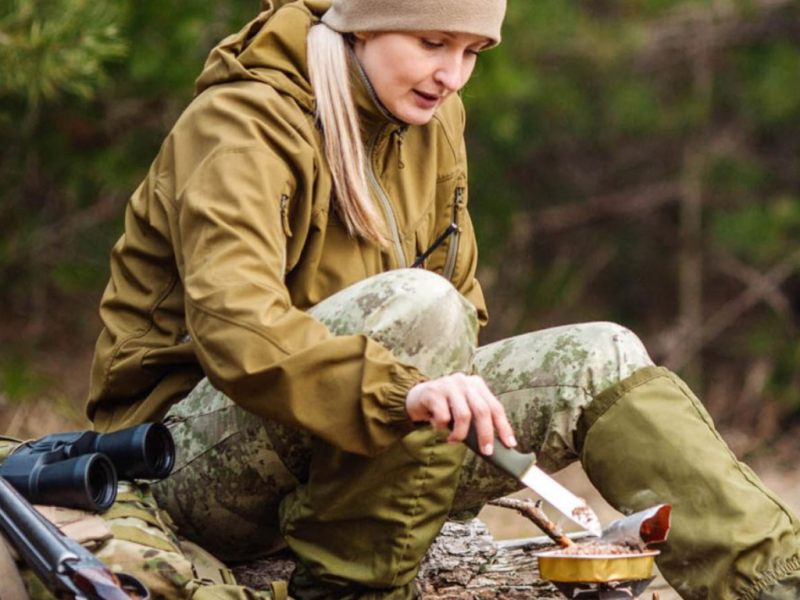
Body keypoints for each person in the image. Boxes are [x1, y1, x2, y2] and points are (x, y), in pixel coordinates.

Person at [81, 0, 800, 599]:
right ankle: (352, 589)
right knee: (423, 309)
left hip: (354, 441)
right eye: (433, 42)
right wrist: (406, 388)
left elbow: (462, 298)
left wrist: (433, 389)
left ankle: (772, 583)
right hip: (178, 462)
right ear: (363, 22)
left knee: (597, 356)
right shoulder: (242, 123)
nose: (452, 75)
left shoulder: (430, 121)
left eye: (473, 51)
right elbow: (237, 331)